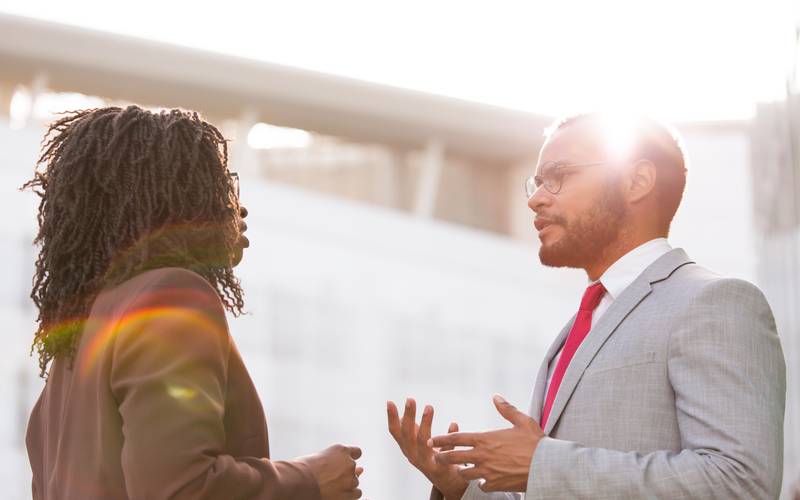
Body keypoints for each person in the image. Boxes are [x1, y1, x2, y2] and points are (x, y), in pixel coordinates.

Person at [387, 113, 786, 499]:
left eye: (559, 176)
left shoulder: (715, 302)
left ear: (637, 181)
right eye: (538, 182)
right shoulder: (574, 331)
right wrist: (461, 487)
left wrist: (544, 464)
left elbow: (740, 483)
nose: (536, 200)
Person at [24, 105, 363, 500]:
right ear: (179, 204)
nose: (236, 208)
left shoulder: (78, 345)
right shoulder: (169, 300)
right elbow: (179, 488)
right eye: (214, 187)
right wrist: (308, 478)